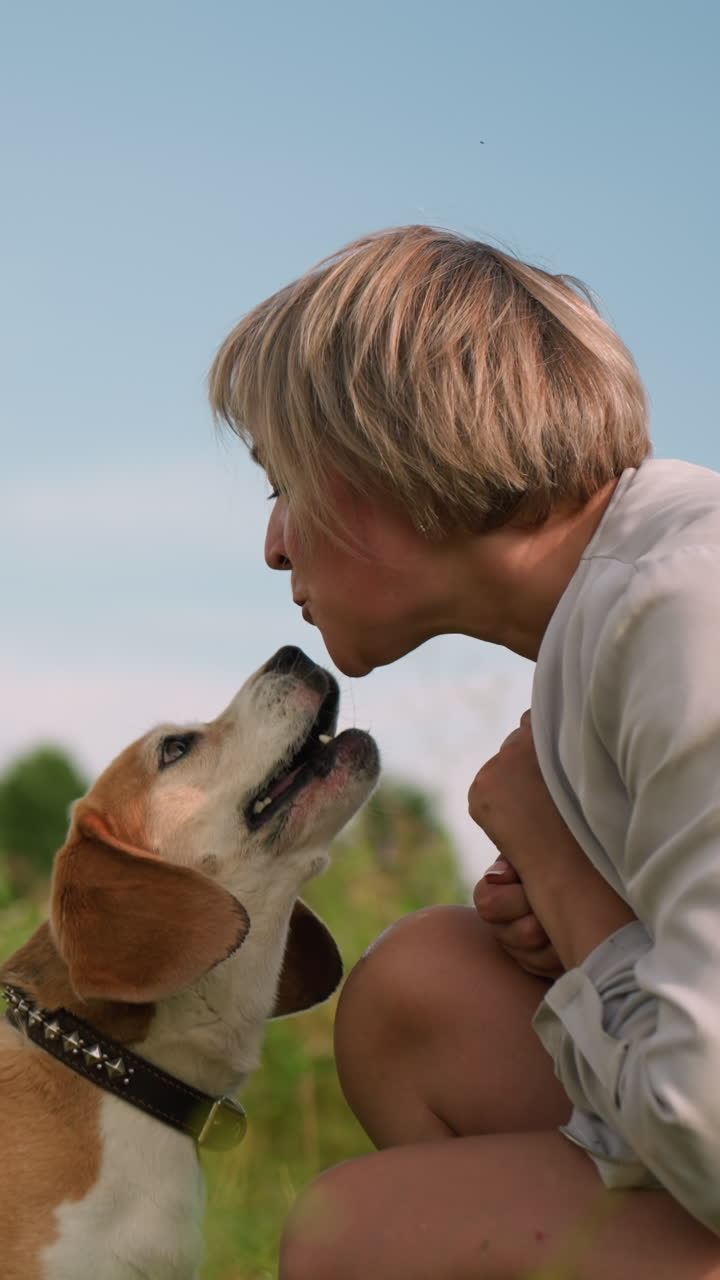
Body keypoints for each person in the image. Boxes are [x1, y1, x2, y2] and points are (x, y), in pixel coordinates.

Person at [209, 225, 720, 1279]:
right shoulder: (615, 614)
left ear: (375, 458)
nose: (272, 543)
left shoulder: (686, 612)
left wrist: (571, 883)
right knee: (419, 993)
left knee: (363, 1231)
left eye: (281, 481)